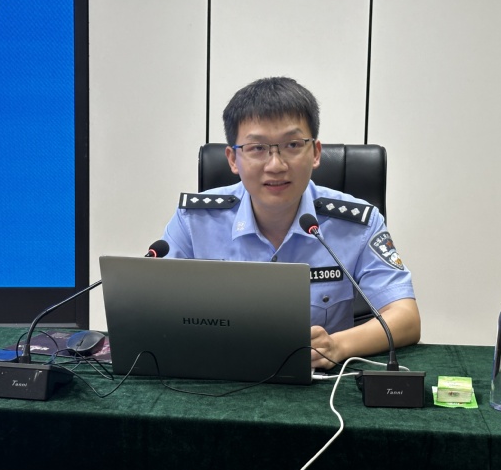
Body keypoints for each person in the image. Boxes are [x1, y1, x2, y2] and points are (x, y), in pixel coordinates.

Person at [162, 77, 421, 370]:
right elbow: (152, 308)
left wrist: (337, 346)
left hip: (321, 385)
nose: (276, 165)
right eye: (257, 148)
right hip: (215, 377)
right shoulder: (194, 219)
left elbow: (406, 318)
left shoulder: (357, 223)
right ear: (233, 159)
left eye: (293, 145)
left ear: (316, 153)